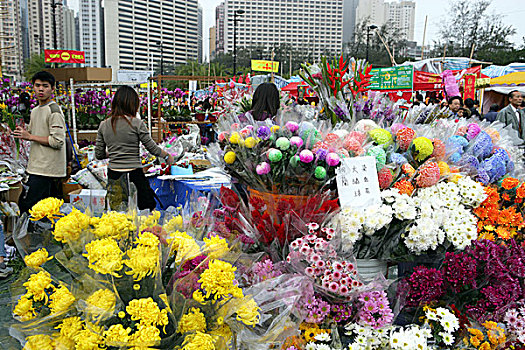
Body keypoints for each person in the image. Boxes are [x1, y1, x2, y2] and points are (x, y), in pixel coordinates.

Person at [95, 86, 175, 211]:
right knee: (144, 211)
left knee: (118, 213)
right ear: (133, 104)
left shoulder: (104, 125)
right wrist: (167, 156)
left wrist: (112, 153)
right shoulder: (137, 123)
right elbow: (152, 148)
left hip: (114, 176)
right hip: (135, 175)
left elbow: (99, 154)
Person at [14, 71, 67, 214]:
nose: (41, 89)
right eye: (37, 86)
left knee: (27, 206)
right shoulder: (35, 110)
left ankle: (28, 235)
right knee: (43, 212)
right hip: (36, 167)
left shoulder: (54, 110)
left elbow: (57, 141)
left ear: (53, 89)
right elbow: (31, 133)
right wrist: (18, 132)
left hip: (46, 170)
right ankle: (39, 235)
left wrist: (30, 136)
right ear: (33, 87)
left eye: (45, 86)